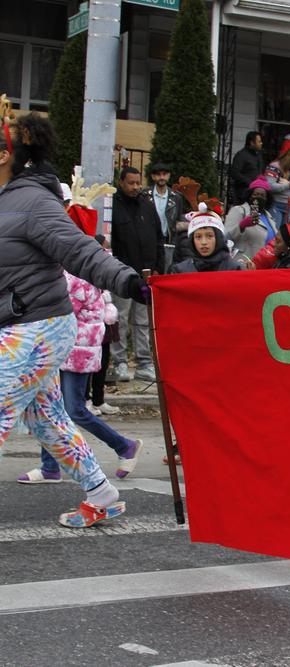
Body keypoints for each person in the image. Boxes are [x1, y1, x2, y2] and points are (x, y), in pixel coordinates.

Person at [0, 111, 146, 527]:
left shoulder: (31, 202)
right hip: (17, 325)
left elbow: (79, 249)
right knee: (47, 421)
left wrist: (128, 281)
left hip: (37, 326)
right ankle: (104, 494)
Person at [17, 269, 143, 484]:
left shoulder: (77, 277)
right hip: (67, 350)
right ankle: (50, 467)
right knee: (52, 409)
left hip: (75, 351)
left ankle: (124, 446)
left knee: (74, 410)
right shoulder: (71, 274)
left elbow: (56, 313)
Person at [110, 166, 164, 383]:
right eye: (130, 183)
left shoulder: (147, 205)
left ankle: (144, 363)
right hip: (122, 274)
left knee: (143, 321)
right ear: (121, 182)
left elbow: (159, 237)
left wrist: (159, 266)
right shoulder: (114, 206)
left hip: (147, 274)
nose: (135, 187)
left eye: (137, 183)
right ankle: (119, 362)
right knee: (119, 318)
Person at [87, 234, 120, 416]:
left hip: (105, 318)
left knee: (103, 360)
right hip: (88, 324)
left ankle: (99, 399)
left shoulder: (106, 263)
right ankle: (85, 399)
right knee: (87, 363)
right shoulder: (81, 266)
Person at [169, 203, 245, 274]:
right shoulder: (180, 271)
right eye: (198, 237)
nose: (204, 242)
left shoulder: (233, 269)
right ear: (192, 240)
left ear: (218, 238)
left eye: (209, 236)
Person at [225, 176, 278, 266]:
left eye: (262, 196)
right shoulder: (239, 210)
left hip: (264, 267)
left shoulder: (270, 217)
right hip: (244, 264)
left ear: (267, 199)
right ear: (250, 196)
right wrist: (241, 226)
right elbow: (225, 237)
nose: (259, 198)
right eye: (256, 194)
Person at [145, 162, 187, 263]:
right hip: (148, 240)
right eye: (158, 174)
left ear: (168, 176)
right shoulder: (144, 196)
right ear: (153, 176)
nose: (161, 177)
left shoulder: (177, 198)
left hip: (168, 241)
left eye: (164, 174)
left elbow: (177, 220)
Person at [266, 149, 290, 226]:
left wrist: (288, 183)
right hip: (275, 205)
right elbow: (270, 186)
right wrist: (289, 185)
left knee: (287, 233)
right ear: (288, 159)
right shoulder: (274, 166)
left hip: (289, 206)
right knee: (275, 231)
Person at [229, 131, 265, 203]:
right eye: (259, 141)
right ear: (252, 143)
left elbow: (260, 171)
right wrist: (250, 182)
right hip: (243, 193)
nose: (261, 143)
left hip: (256, 192)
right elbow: (235, 173)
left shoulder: (258, 155)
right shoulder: (241, 155)